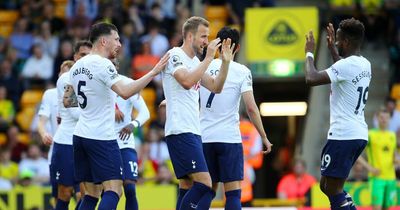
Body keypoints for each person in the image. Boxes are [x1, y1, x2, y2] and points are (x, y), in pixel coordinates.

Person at [64, 22, 168, 210]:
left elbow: (69, 101)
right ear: (104, 41)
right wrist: (153, 72)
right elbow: (125, 92)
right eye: (117, 39)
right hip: (101, 137)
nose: (120, 44)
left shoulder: (77, 66)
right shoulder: (104, 64)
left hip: (80, 135)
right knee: (114, 190)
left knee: (91, 194)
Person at [161, 16, 234, 210]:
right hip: (180, 130)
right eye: (203, 36)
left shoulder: (195, 61)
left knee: (187, 186)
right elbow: (185, 81)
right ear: (190, 36)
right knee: (204, 183)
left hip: (192, 130)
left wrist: (225, 63)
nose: (206, 41)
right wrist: (209, 58)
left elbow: (216, 87)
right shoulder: (175, 54)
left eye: (207, 36)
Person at [199, 26, 272, 210]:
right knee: (233, 194)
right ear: (237, 48)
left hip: (204, 137)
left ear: (216, 45)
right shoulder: (242, 71)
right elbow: (251, 108)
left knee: (208, 190)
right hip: (229, 139)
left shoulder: (202, 68)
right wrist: (263, 137)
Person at [304, 18, 371, 210]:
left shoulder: (346, 66)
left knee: (333, 190)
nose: (335, 43)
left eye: (338, 40)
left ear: (347, 42)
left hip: (344, 135)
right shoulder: (365, 64)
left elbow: (311, 77)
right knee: (326, 186)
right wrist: (333, 50)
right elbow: (343, 70)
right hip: (357, 134)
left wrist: (310, 52)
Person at [39, 40, 92, 210]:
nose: (86, 58)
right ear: (75, 57)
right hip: (66, 143)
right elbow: (75, 112)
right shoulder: (66, 80)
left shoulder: (94, 79)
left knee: (86, 192)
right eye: (83, 55)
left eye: (89, 55)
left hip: (86, 141)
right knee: (65, 192)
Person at [113, 59, 150, 210]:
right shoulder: (96, 86)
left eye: (113, 64)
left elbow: (145, 112)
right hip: (104, 143)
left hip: (125, 143)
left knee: (130, 188)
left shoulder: (128, 83)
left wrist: (132, 124)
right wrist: (111, 111)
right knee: (110, 191)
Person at [357, 108, 398, 210]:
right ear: (377, 118)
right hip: (377, 178)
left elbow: (393, 155)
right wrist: (369, 168)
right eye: (382, 117)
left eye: (386, 118)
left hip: (391, 178)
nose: (384, 120)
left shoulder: (392, 135)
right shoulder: (370, 135)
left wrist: (395, 160)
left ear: (390, 119)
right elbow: (356, 153)